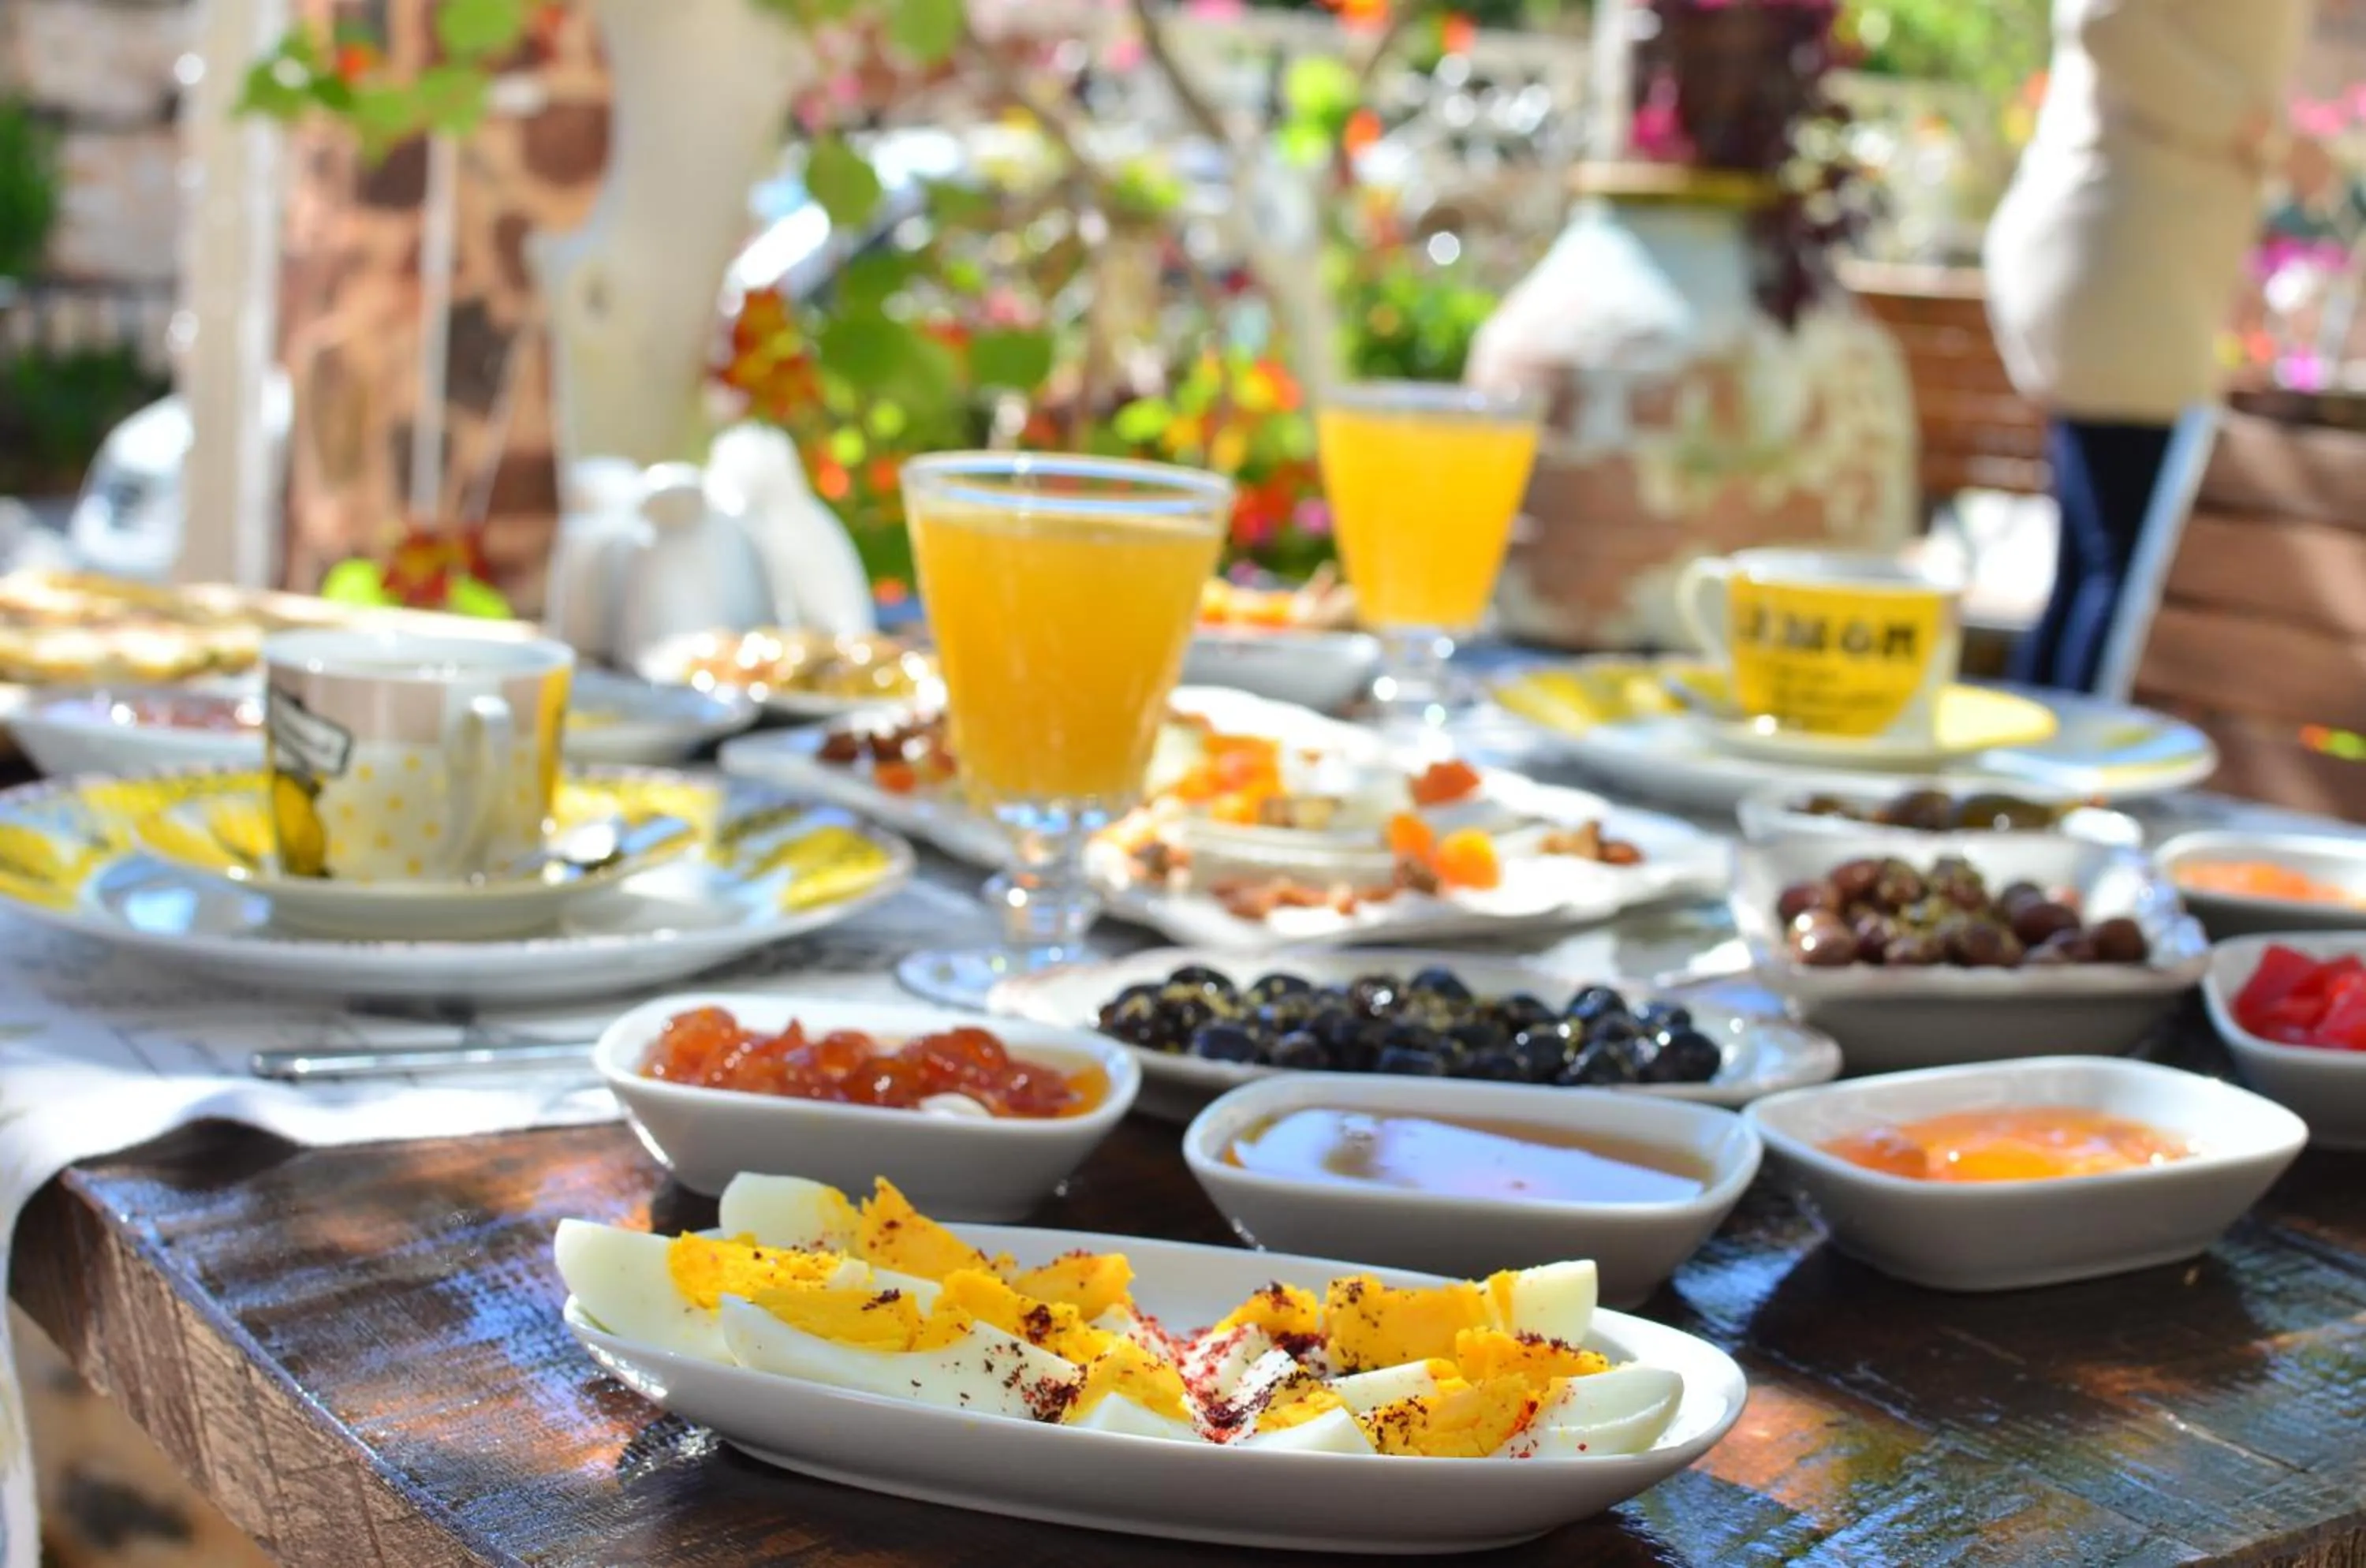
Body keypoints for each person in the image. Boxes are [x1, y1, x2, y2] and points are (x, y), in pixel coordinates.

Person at [1983, 0, 2312, 693]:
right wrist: (2257, 128)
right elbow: (2107, 19)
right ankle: (2061, 781)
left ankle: (2027, 778)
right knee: (2121, 562)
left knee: (2095, 560)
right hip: (2124, 276)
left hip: (2138, 273)